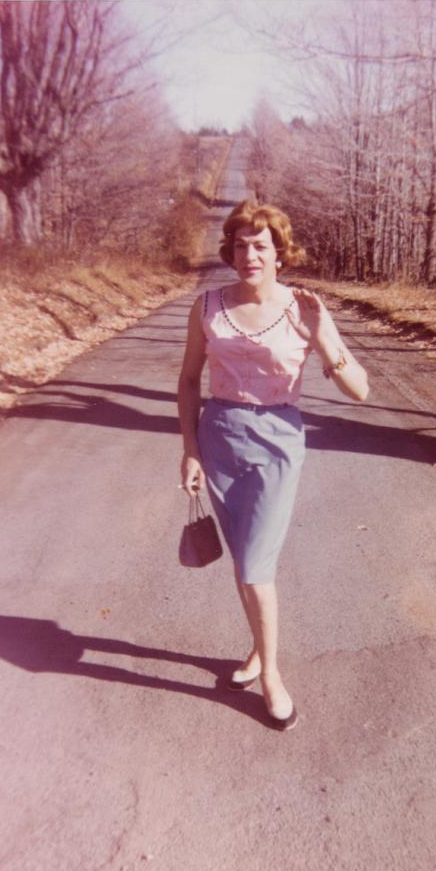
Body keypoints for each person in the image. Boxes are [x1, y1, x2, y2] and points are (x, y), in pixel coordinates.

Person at [178, 200, 369, 731]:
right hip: (219, 438)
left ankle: (272, 675)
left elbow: (359, 389)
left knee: (256, 564)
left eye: (260, 245)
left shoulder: (303, 308)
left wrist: (323, 339)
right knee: (245, 560)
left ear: (280, 253)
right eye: (240, 245)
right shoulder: (208, 306)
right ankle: (259, 651)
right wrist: (190, 448)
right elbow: (189, 379)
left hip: (277, 443)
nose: (250, 255)